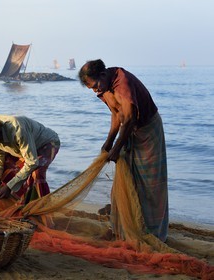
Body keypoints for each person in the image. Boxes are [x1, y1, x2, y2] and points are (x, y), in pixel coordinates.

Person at [78, 59, 168, 242]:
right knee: (122, 182)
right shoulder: (104, 88)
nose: (95, 91)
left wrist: (117, 147)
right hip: (129, 131)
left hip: (147, 131)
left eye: (95, 86)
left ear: (103, 75)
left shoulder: (122, 82)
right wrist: (108, 143)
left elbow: (130, 118)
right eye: (92, 89)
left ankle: (152, 233)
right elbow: (116, 115)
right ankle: (119, 229)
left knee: (150, 183)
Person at [0, 115, 60, 206]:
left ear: (0, 135)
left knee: (36, 173)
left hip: (46, 143)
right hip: (21, 149)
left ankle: (40, 207)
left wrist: (9, 186)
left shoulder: (18, 130)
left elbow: (32, 162)